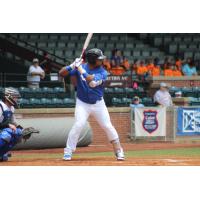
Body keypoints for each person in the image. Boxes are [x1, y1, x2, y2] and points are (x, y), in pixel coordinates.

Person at [59, 48, 125, 161]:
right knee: (79, 124)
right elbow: (61, 73)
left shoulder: (103, 72)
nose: (102, 61)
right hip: (82, 103)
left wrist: (79, 68)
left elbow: (92, 83)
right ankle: (68, 151)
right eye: (99, 59)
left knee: (107, 126)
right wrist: (72, 65)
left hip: (98, 104)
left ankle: (118, 150)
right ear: (92, 60)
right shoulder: (81, 66)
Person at [0, 88, 39, 161]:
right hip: (2, 130)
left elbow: (14, 123)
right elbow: (8, 125)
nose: (16, 99)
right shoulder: (1, 106)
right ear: (8, 97)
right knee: (6, 134)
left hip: (1, 129)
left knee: (18, 134)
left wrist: (23, 130)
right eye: (15, 97)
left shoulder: (11, 108)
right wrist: (8, 125)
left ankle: (1, 154)